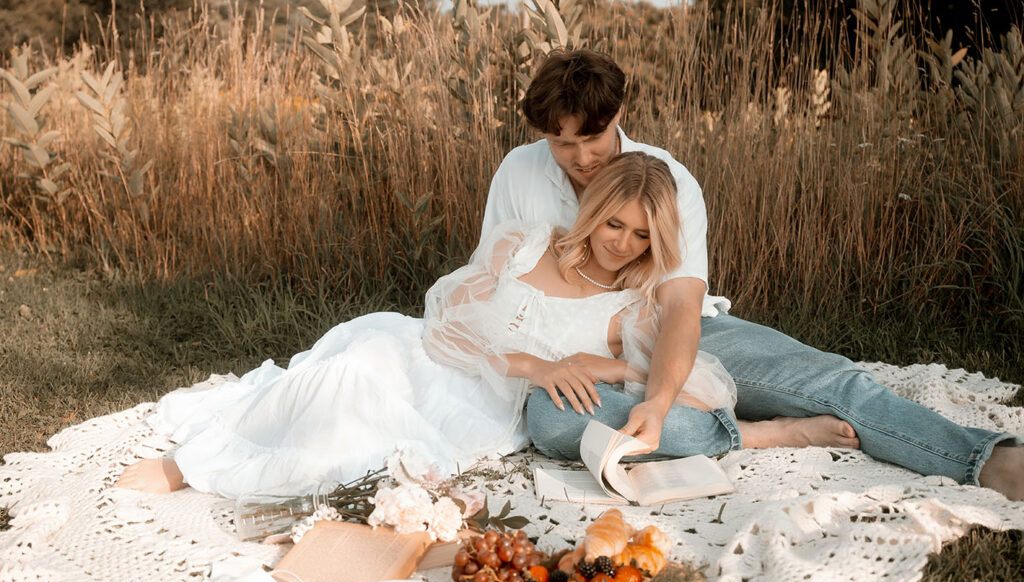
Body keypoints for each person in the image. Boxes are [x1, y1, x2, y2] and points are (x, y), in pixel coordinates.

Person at [118, 153, 856, 497]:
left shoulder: (631, 308)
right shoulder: (524, 239)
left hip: (481, 400)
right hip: (426, 347)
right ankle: (204, 457)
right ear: (593, 210)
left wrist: (611, 370)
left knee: (352, 396)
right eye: (614, 224)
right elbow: (447, 319)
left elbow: (685, 384)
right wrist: (539, 364)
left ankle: (193, 470)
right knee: (354, 356)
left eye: (641, 237)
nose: (622, 243)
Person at [481, 48, 1024, 499]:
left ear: (619, 112)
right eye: (561, 143)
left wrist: (658, 398)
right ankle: (752, 433)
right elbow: (493, 285)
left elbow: (680, 309)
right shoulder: (519, 172)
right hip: (563, 358)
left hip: (661, 331)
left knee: (828, 382)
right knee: (552, 421)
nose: (578, 157)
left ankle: (984, 458)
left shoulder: (666, 179)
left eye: (591, 138)